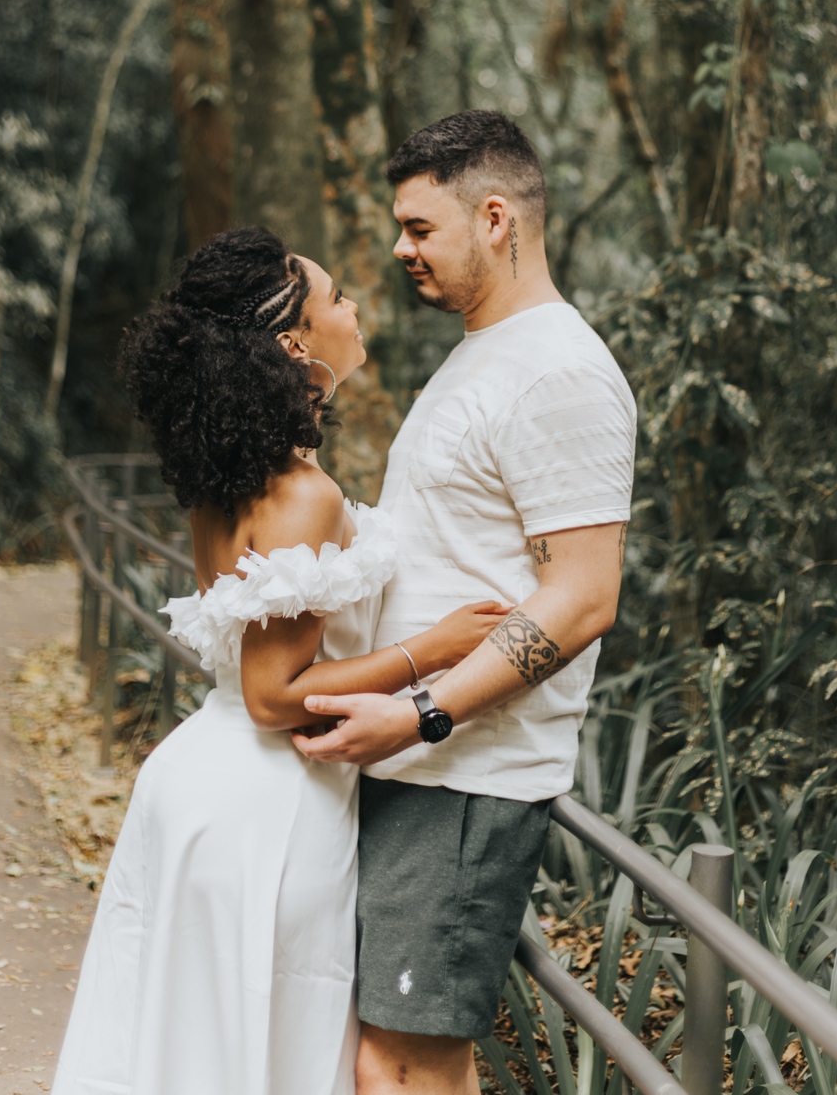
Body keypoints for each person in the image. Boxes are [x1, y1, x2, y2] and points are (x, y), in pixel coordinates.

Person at [51, 227, 507, 1095]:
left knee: (186, 1043)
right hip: (265, 805)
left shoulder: (232, 476)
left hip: (203, 782)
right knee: (262, 1037)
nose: (354, 305)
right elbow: (272, 695)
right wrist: (433, 650)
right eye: (335, 297)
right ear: (295, 343)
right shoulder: (302, 494)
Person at [295, 112, 637, 1095]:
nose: (400, 248)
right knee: (381, 1059)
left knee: (402, 1065)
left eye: (419, 227)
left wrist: (419, 714)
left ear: (495, 218)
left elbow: (583, 597)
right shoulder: (485, 354)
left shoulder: (561, 373)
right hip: (410, 762)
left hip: (462, 778)